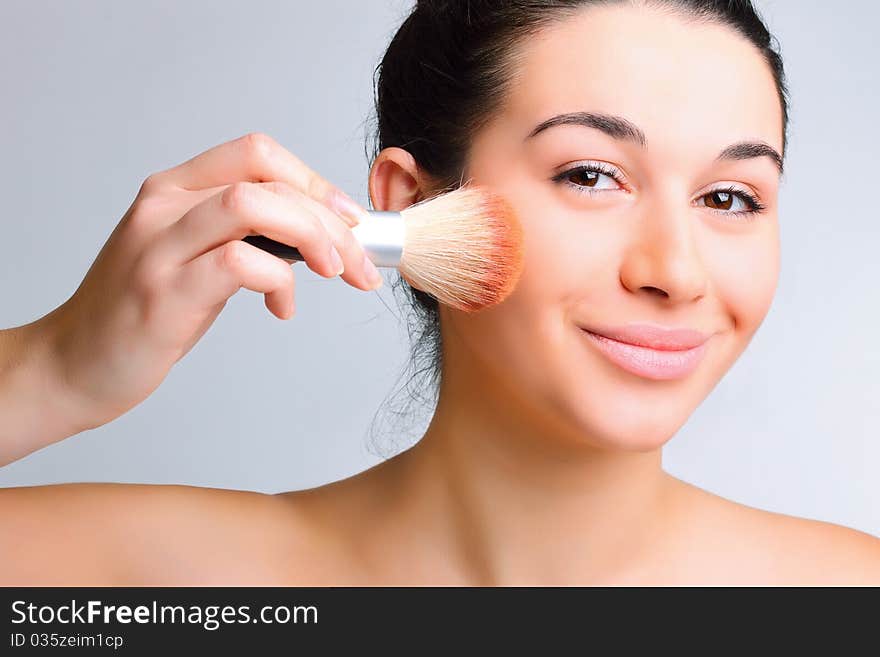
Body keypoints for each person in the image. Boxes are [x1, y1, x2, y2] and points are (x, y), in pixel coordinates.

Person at [1, 0, 878, 586]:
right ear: (411, 203)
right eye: (591, 174)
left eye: (731, 198)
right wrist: (52, 371)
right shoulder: (141, 583)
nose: (676, 272)